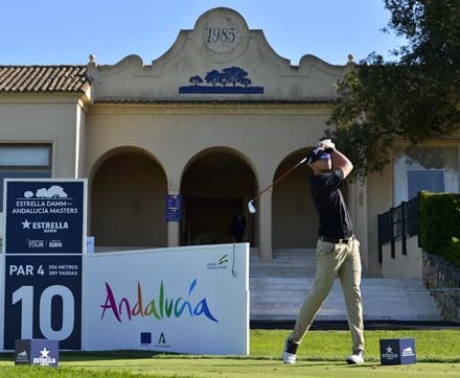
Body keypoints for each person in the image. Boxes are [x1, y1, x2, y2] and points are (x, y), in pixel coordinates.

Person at [282, 140, 365, 365]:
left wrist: (328, 148)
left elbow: (342, 164)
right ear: (312, 165)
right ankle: (293, 341)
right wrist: (333, 147)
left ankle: (358, 350)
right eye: (322, 157)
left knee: (354, 296)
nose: (327, 158)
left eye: (328, 156)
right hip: (330, 249)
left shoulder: (326, 177)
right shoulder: (320, 182)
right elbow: (347, 164)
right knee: (318, 296)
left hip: (351, 246)